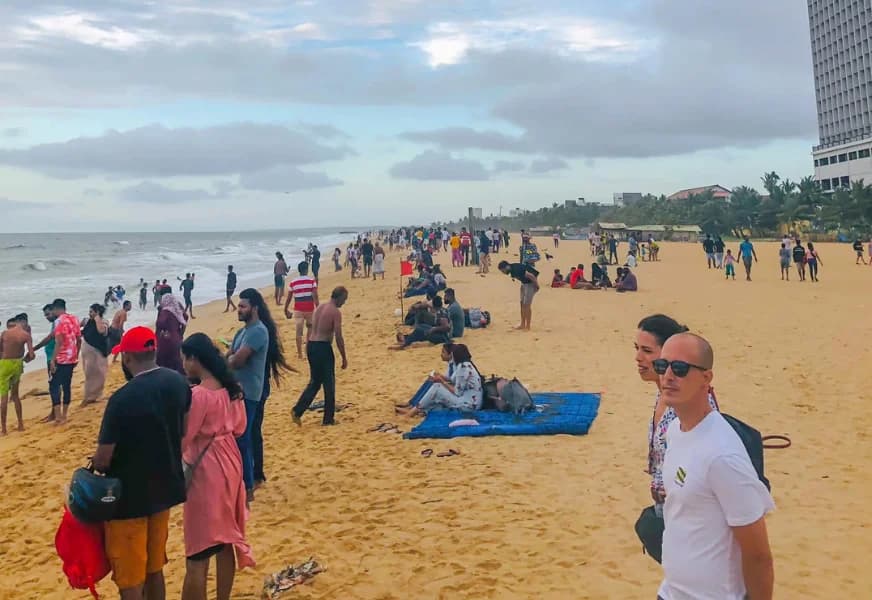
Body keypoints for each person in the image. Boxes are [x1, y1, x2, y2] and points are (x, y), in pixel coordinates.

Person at [655, 332, 774, 600]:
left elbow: (759, 556)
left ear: (706, 378)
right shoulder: (675, 430)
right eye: (662, 366)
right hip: (671, 592)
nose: (669, 376)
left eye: (681, 368)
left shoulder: (723, 456)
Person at [93, 326, 191, 600]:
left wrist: (94, 462)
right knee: (154, 568)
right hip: (164, 492)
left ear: (126, 358)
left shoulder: (122, 399)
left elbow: (103, 459)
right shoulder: (178, 382)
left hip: (129, 501)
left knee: (130, 579)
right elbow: (184, 430)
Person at [180, 333, 255, 600]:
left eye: (185, 359)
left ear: (194, 359)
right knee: (225, 539)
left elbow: (185, 436)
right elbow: (241, 427)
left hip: (206, 467)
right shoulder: (232, 388)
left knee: (198, 549)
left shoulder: (199, 395)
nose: (183, 365)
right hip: (230, 461)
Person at [634, 315, 719, 515]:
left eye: (646, 350)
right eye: (636, 348)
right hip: (667, 507)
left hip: (688, 512)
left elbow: (705, 459)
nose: (638, 357)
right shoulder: (664, 394)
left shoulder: (686, 402)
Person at [227, 289, 269, 497]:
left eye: (243, 306)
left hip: (250, 393)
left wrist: (227, 359)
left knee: (243, 438)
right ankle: (243, 482)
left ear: (255, 308)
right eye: (239, 306)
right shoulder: (242, 332)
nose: (239, 310)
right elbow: (230, 356)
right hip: (237, 392)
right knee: (238, 438)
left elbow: (238, 360)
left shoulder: (258, 331)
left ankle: (248, 485)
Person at [292, 286, 348, 427]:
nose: (344, 302)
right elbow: (338, 336)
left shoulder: (320, 307)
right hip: (323, 347)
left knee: (315, 382)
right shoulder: (335, 312)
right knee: (329, 384)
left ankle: (297, 410)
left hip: (312, 345)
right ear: (339, 297)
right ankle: (328, 419)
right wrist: (344, 357)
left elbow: (310, 327)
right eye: (344, 299)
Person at [396, 344, 482, 416]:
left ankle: (412, 412)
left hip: (469, 405)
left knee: (437, 387)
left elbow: (457, 392)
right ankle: (416, 409)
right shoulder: (465, 365)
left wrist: (442, 381)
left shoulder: (463, 368)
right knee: (436, 394)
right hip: (471, 402)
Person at [50, 298, 81, 425]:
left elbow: (59, 342)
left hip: (61, 358)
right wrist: (76, 355)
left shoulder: (58, 321)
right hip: (72, 357)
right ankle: (64, 415)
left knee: (54, 385)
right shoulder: (74, 319)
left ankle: (58, 417)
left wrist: (52, 360)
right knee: (67, 386)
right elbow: (79, 339)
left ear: (56, 309)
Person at [0, 318, 34, 434]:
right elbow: (32, 355)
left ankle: (4, 429)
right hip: (18, 364)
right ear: (24, 324)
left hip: (5, 364)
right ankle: (20, 424)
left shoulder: (5, 333)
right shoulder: (25, 335)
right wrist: (25, 359)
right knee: (15, 396)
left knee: (3, 396)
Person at [285, 261, 319, 360]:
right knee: (310, 329)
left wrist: (285, 308)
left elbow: (289, 298)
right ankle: (307, 350)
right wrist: (319, 309)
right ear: (306, 270)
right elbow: (315, 297)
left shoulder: (293, 282)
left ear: (299, 270)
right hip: (309, 309)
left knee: (299, 332)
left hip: (298, 309)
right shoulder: (312, 281)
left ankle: (300, 354)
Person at [80, 303, 110, 405]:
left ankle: (91, 396)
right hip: (87, 354)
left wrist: (97, 318)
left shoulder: (104, 322)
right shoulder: (87, 321)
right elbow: (77, 328)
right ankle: (90, 395)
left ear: (97, 312)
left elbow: (101, 331)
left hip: (97, 353)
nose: (89, 314)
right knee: (88, 374)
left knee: (99, 374)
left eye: (91, 312)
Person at [32, 304, 58, 422]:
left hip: (53, 358)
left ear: (54, 311)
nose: (46, 317)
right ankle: (54, 412)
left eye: (48, 314)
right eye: (45, 315)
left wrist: (34, 348)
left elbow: (49, 338)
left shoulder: (57, 323)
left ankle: (54, 413)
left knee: (54, 386)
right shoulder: (57, 323)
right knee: (55, 385)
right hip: (52, 357)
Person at [498, 260, 540, 331]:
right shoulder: (512, 269)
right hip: (524, 283)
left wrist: (536, 285)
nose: (503, 273)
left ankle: (528, 326)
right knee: (522, 304)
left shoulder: (516, 269)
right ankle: (522, 324)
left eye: (503, 271)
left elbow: (531, 276)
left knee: (527, 305)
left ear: (507, 267)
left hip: (530, 284)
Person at [156, 294, 187, 374]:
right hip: (177, 337)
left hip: (167, 340)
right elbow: (185, 318)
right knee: (177, 360)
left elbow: (160, 323)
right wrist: (181, 333)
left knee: (165, 362)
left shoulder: (165, 311)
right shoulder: (177, 310)